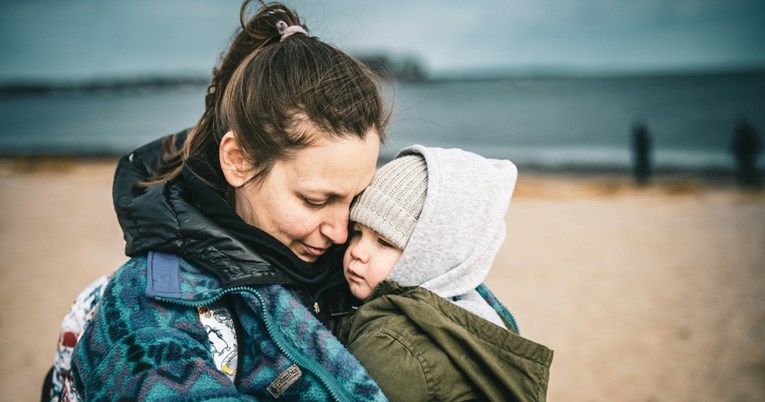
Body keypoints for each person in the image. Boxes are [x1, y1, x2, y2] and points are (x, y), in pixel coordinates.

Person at [46, 1, 394, 400]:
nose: (339, 232)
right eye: (315, 200)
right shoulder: (147, 313)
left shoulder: (362, 261)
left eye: (356, 200)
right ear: (238, 160)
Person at [336, 145, 554, 402]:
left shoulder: (392, 346)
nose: (358, 251)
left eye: (384, 242)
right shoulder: (467, 310)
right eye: (357, 232)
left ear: (432, 254)